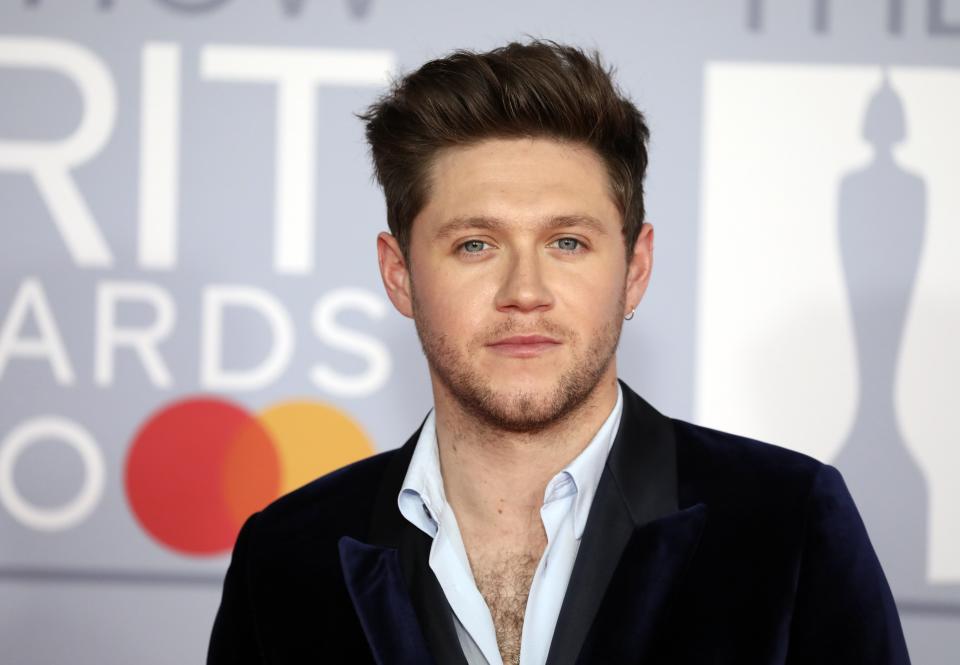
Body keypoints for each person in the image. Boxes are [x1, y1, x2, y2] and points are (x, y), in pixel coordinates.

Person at [207, 41, 910, 665]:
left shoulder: (785, 525)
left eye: (567, 242)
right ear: (400, 276)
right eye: (475, 244)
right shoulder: (287, 556)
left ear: (635, 268)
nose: (525, 291)